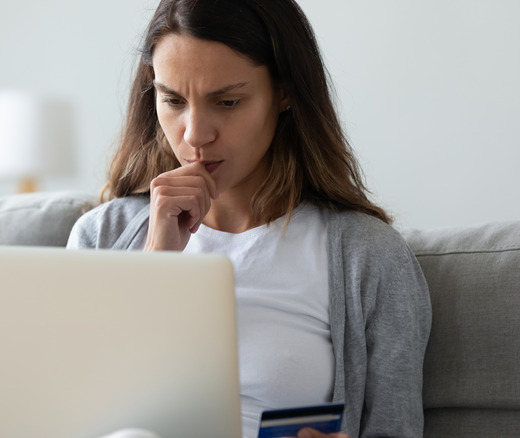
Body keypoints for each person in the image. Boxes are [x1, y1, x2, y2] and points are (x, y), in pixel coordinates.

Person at [67, 0, 432, 437]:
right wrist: (154, 266)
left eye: (227, 101)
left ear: (284, 92)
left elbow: (396, 426)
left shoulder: (367, 257)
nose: (195, 134)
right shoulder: (102, 237)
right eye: (173, 100)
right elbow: (73, 413)